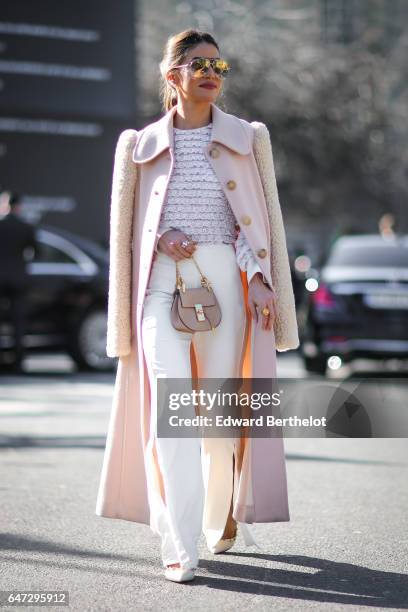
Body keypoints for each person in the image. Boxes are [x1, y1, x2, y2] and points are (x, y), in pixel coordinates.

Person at [95, 28, 299, 584]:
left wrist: (260, 278)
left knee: (218, 415)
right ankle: (179, 543)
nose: (211, 72)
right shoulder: (139, 145)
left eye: (218, 64)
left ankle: (219, 519)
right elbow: (126, 233)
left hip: (228, 286)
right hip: (162, 285)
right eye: (197, 64)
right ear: (172, 76)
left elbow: (259, 221)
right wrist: (159, 239)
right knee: (171, 408)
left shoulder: (247, 138)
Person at [0, 190, 37, 373]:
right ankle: (18, 362)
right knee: (18, 321)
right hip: (19, 279)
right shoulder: (26, 227)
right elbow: (37, 252)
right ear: (19, 207)